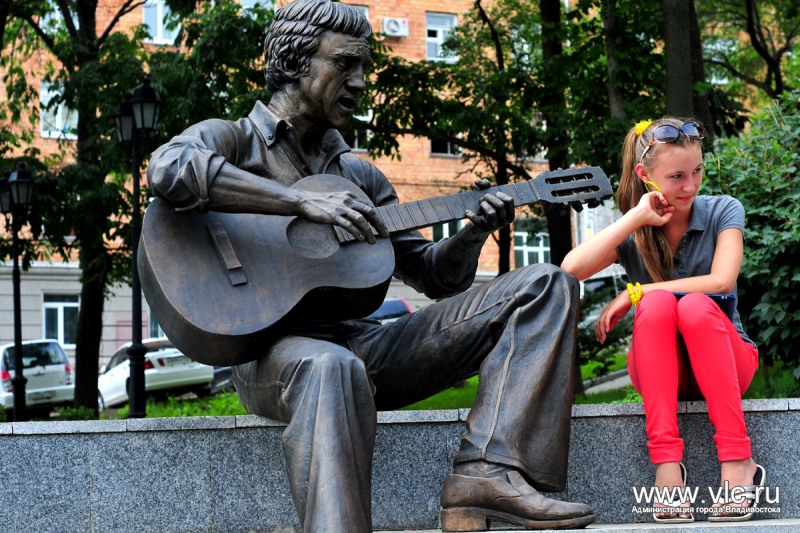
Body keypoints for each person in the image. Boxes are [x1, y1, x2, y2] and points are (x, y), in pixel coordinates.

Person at [146, 1, 595, 531]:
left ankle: (488, 474)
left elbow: (433, 276)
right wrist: (297, 202)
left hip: (364, 342)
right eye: (345, 64)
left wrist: (472, 233)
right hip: (268, 352)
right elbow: (169, 169)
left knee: (547, 285)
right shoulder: (235, 140)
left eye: (364, 68)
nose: (360, 83)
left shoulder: (360, 175)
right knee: (331, 367)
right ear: (295, 62)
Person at [561, 117, 763, 523]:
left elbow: (721, 281)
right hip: (660, 372)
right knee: (655, 309)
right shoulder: (637, 228)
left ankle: (739, 461)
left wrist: (634, 292)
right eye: (676, 176)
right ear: (644, 175)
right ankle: (668, 472)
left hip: (727, 361)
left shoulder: (724, 210)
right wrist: (635, 218)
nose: (690, 185)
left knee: (691, 305)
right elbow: (570, 269)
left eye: (697, 171)